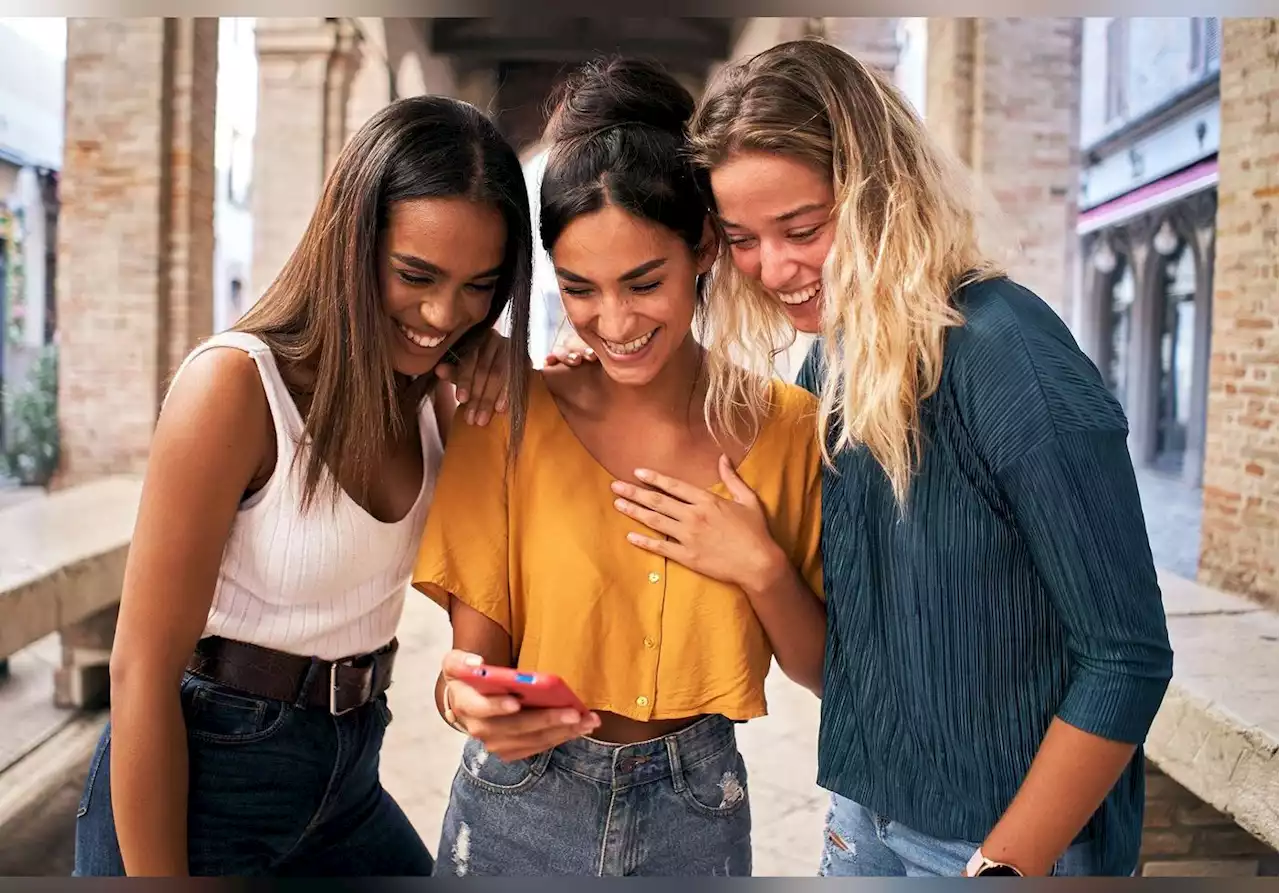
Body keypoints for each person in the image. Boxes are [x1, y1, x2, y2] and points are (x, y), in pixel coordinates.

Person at [648, 38, 1172, 878]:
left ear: (879, 192)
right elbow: (844, 672)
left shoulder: (1010, 355)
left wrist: (1008, 860)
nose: (773, 268)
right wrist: (762, 568)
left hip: (1010, 845)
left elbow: (1129, 655)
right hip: (865, 824)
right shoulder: (834, 365)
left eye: (803, 227)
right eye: (743, 237)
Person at [73, 95, 533, 877]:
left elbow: (494, 600)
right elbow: (140, 668)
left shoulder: (437, 393)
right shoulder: (236, 387)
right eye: (415, 274)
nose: (442, 313)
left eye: (478, 286)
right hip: (205, 778)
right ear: (352, 243)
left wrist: (500, 380)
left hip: (347, 777)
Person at [411, 57, 826, 877]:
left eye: (644, 282)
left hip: (699, 809)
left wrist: (759, 565)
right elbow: (470, 664)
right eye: (580, 289)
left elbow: (821, 669)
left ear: (704, 246)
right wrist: (467, 699)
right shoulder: (505, 419)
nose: (615, 320)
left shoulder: (788, 429)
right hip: (514, 809)